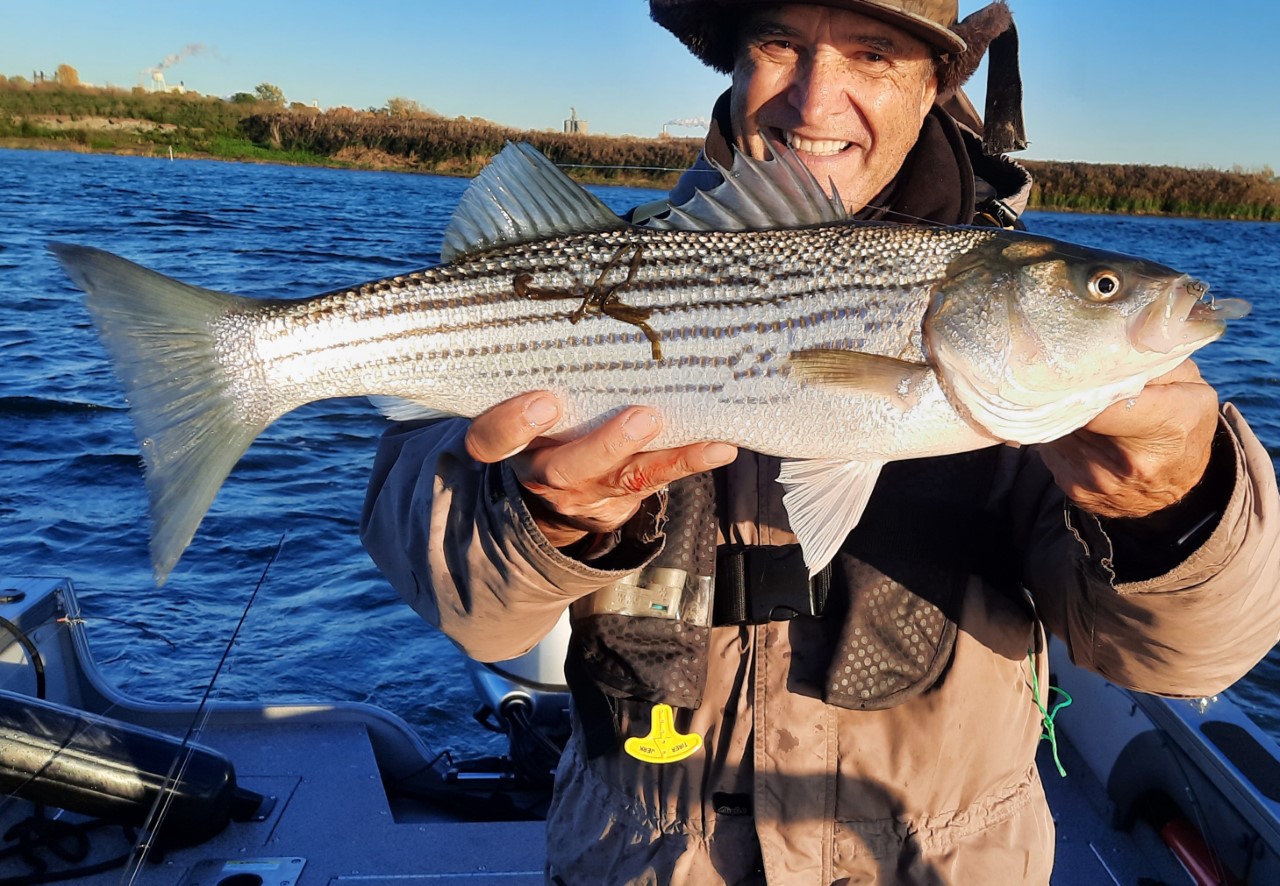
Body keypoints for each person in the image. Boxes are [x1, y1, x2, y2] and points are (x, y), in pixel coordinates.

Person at [362, 1, 1280, 882]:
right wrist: (545, 518)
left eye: (874, 54)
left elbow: (1190, 662)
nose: (813, 99)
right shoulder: (619, 257)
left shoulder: (1055, 384)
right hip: (637, 863)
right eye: (778, 43)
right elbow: (462, 606)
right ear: (732, 66)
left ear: (935, 84)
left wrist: (1172, 503)